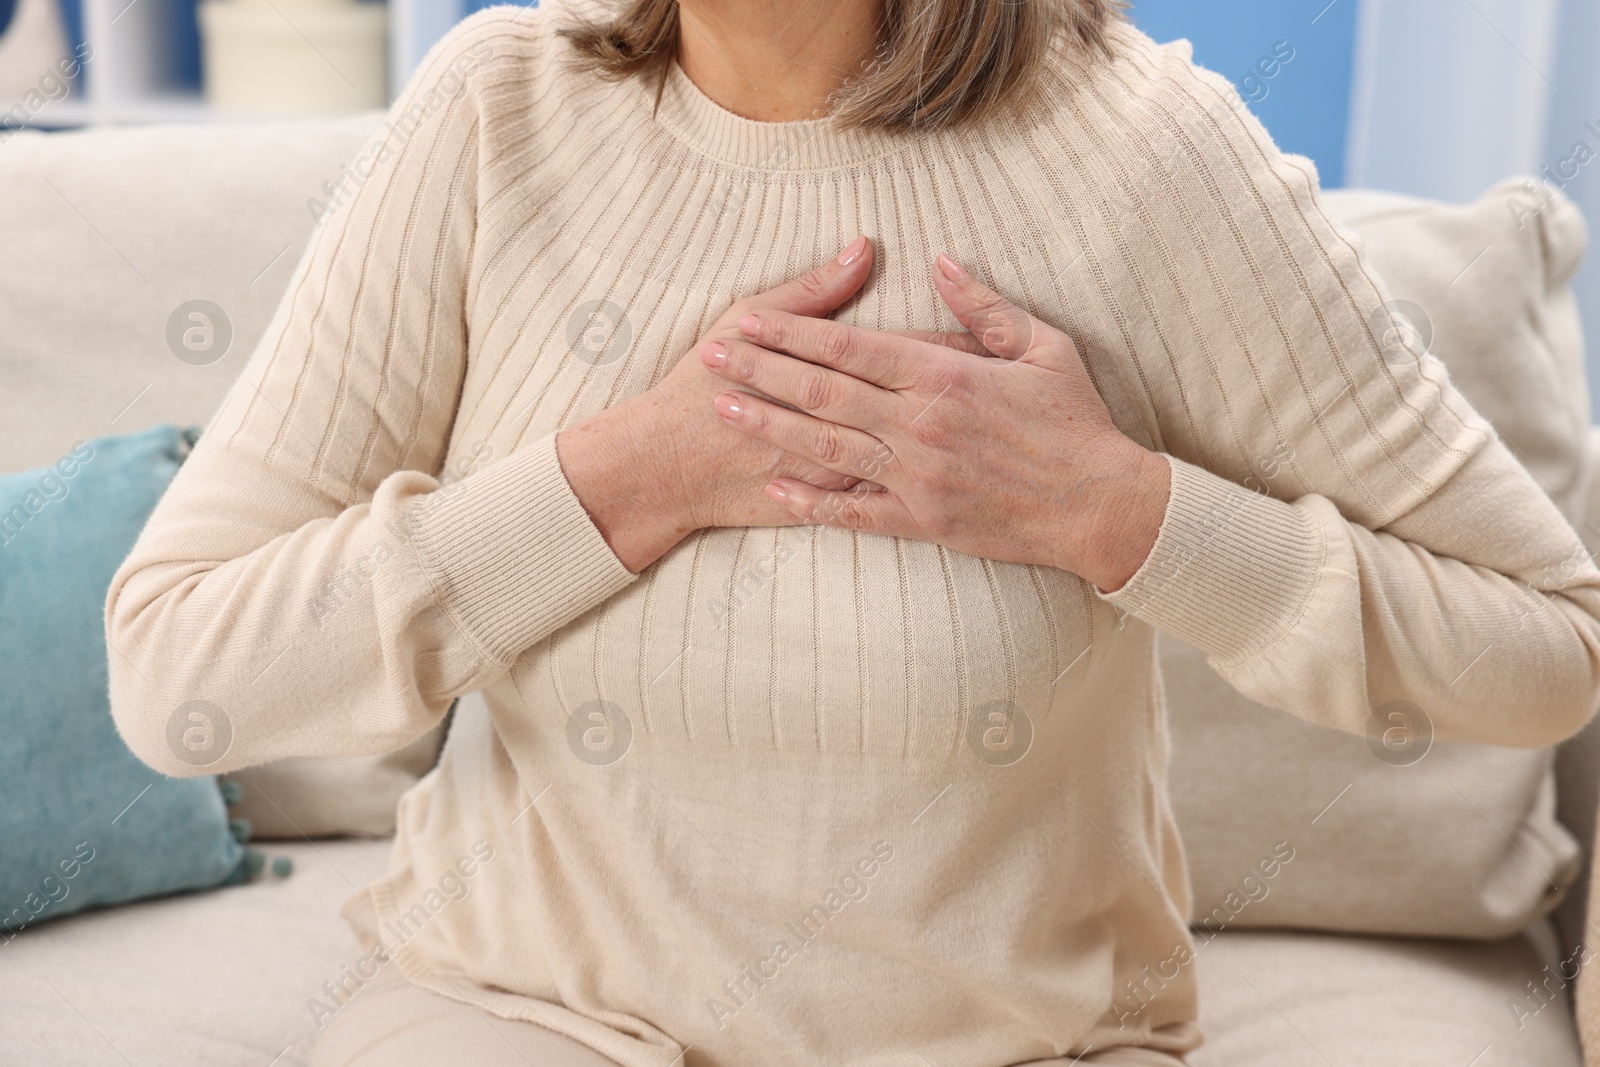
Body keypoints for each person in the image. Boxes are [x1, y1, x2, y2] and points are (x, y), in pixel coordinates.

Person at [105, 0, 1600, 1063]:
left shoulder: (1144, 157)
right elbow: (182, 675)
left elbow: (1550, 642)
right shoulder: (494, 112)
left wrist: (1121, 514)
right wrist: (629, 478)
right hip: (516, 1019)